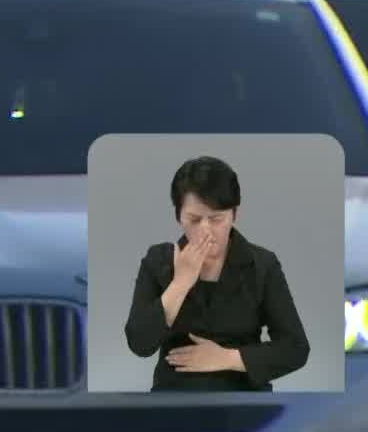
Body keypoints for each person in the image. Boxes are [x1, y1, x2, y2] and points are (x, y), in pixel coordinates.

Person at [122, 156, 310, 391]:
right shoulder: (158, 261)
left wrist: (226, 358)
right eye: (194, 219)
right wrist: (180, 284)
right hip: (174, 399)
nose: (205, 230)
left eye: (216, 219)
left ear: (234, 215)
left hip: (243, 398)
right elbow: (139, 343)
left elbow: (295, 348)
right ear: (178, 216)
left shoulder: (262, 265)